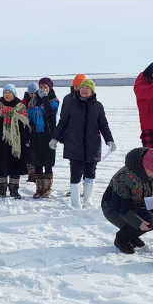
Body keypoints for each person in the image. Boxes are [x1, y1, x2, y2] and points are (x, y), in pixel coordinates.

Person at [49, 79, 115, 209]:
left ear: (92, 91)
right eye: (82, 87)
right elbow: (63, 122)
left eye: (87, 88)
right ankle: (75, 201)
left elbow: (103, 124)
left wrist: (110, 140)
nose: (84, 90)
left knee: (90, 171)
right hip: (74, 143)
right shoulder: (70, 103)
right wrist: (55, 138)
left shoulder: (98, 106)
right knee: (75, 172)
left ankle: (87, 198)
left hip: (93, 144)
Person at [102, 147, 153, 254]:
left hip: (138, 204)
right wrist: (138, 223)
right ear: (144, 165)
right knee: (147, 219)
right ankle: (122, 239)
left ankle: (132, 236)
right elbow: (120, 206)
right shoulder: (125, 176)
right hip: (114, 208)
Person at [0, 84, 30, 199]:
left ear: (14, 94)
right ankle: (1, 190)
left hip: (16, 143)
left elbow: (25, 126)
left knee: (15, 167)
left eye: (9, 92)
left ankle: (14, 190)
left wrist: (22, 139)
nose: (7, 95)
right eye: (5, 92)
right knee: (1, 166)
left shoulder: (20, 108)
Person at [27, 77, 59, 198]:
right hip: (36, 134)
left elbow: (50, 112)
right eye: (41, 87)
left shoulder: (54, 100)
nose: (43, 89)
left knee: (48, 161)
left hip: (48, 134)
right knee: (37, 161)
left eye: (45, 87)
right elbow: (29, 116)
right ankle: (39, 188)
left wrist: (44, 98)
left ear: (50, 88)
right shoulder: (34, 101)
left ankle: (47, 188)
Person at [21, 82, 39, 182]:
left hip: (36, 128)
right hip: (26, 128)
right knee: (27, 151)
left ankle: (35, 173)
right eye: (30, 93)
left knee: (34, 151)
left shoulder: (39, 101)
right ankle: (30, 174)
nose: (32, 95)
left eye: (34, 93)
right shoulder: (24, 102)